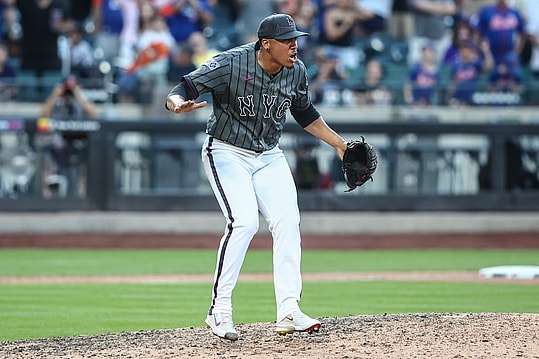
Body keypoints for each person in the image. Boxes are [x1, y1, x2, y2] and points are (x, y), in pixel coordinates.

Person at [165, 13, 355, 341]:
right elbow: (184, 87)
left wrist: (339, 144)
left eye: (296, 38)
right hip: (225, 151)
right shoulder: (231, 63)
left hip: (268, 154)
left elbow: (305, 112)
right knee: (243, 222)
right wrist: (176, 104)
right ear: (265, 43)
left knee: (286, 221)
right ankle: (219, 310)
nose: (294, 45)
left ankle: (289, 310)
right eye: (286, 40)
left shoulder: (296, 71)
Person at [39, 75, 99, 198]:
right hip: (57, 148)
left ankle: (81, 198)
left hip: (78, 146)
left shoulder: (80, 102)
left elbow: (95, 115)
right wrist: (55, 95)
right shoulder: (57, 102)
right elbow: (42, 116)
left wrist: (79, 95)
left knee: (80, 179)